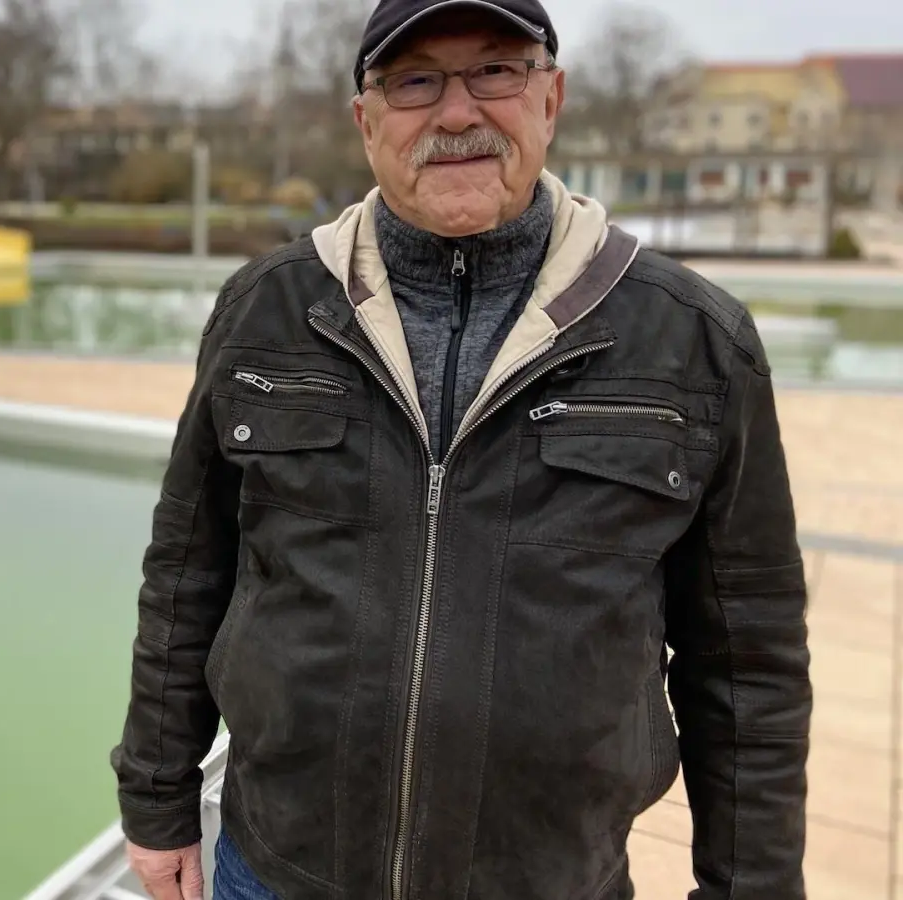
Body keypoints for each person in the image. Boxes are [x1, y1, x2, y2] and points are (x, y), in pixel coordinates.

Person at [109, 0, 813, 897]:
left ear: (550, 100)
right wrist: (158, 797)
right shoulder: (265, 311)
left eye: (494, 70)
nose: (455, 113)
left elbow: (748, 659)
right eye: (415, 80)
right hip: (279, 871)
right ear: (366, 122)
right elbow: (186, 574)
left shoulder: (695, 341)